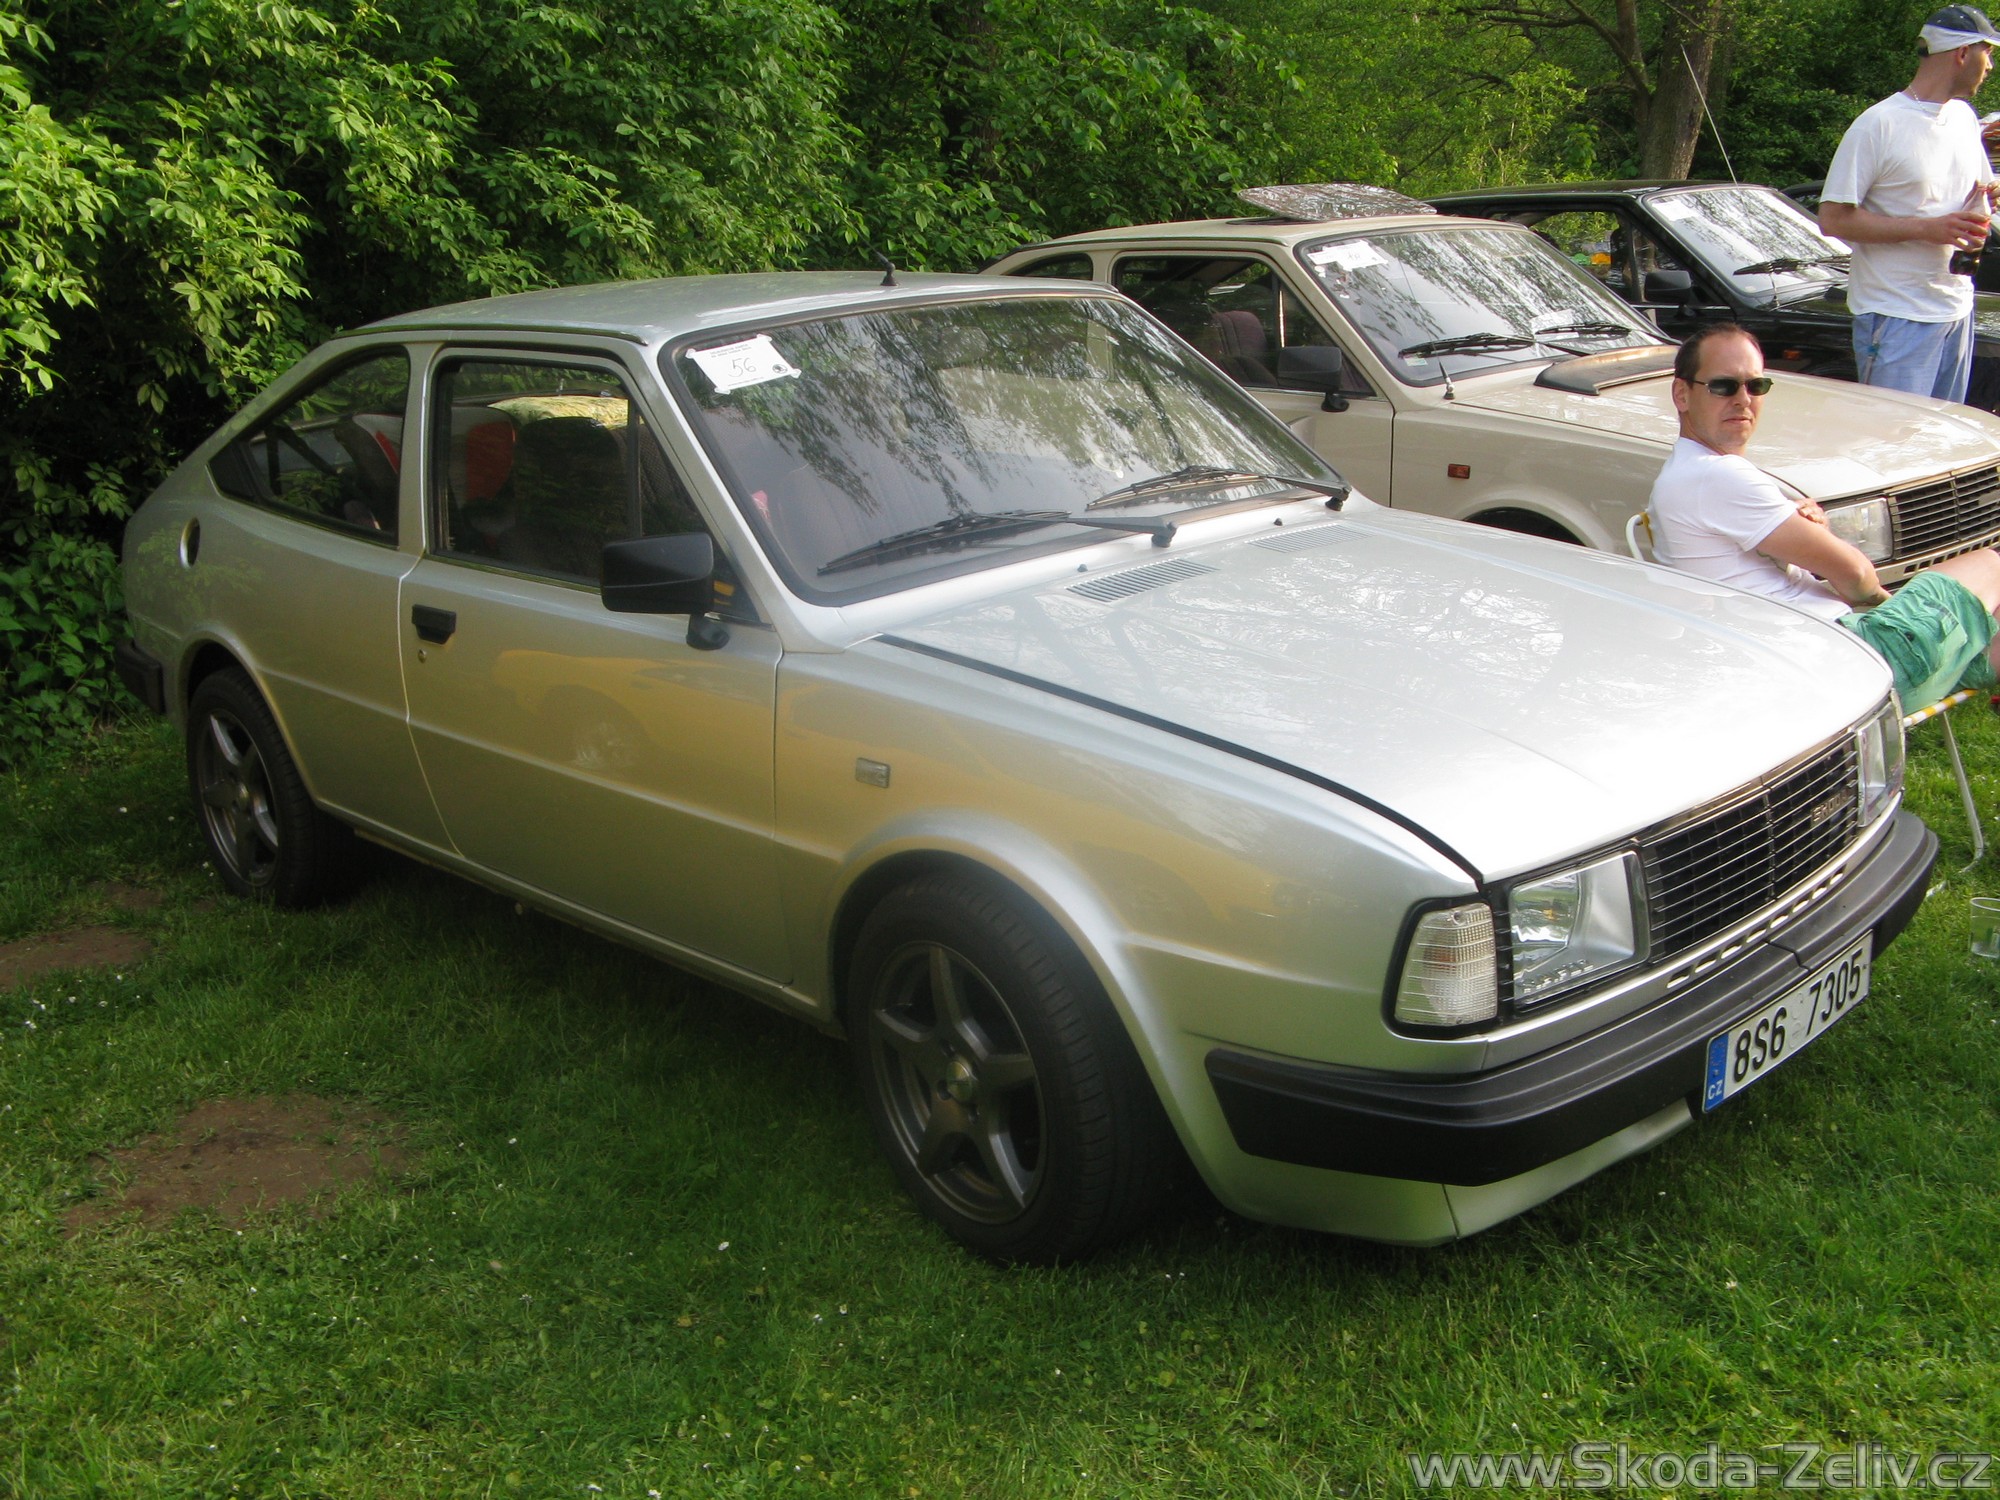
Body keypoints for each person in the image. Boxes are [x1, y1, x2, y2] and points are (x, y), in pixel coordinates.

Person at [1648, 322, 2000, 711]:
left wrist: (1811, 538)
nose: (1743, 399)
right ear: (1682, 394)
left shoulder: (1687, 473)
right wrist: (1887, 604)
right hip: (1848, 662)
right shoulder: (1715, 476)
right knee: (1992, 564)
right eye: (1723, 386)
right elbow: (1856, 576)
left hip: (1810, 666)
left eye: (1756, 385)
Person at [1817, 5, 2000, 404]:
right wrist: (1927, 229)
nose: (1990, 66)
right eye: (1988, 52)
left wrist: (1987, 196)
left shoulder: (1963, 118)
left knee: (1940, 435)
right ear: (1962, 53)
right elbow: (1832, 219)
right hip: (1896, 316)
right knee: (1890, 436)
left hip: (1956, 308)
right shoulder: (1878, 124)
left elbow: (1974, 191)